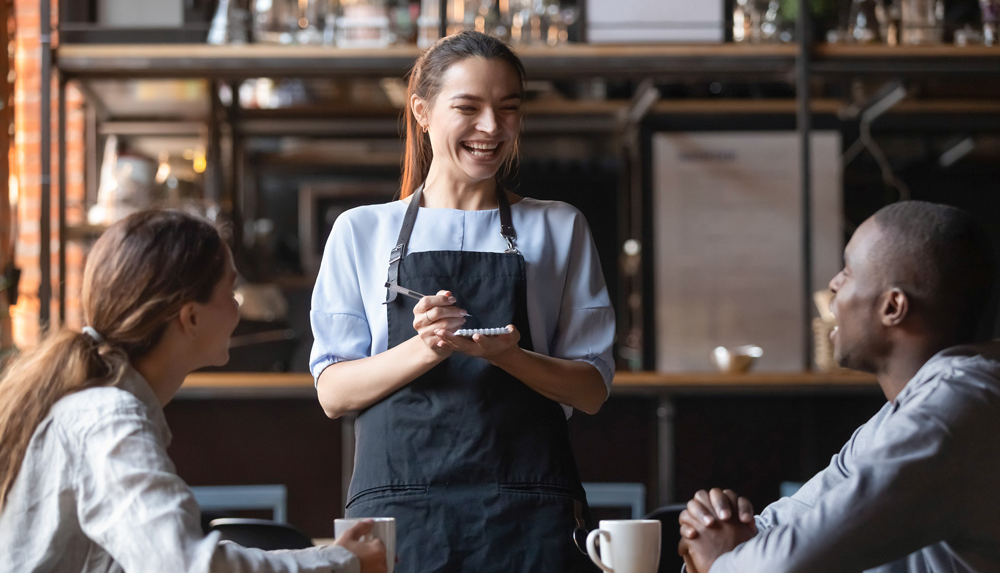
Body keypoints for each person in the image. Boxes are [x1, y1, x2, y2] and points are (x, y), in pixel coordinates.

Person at [309, 31, 616, 572]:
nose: (492, 128)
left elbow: (591, 390)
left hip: (530, 504)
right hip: (399, 505)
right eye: (469, 108)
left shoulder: (559, 225)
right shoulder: (361, 231)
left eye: (508, 109)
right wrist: (429, 347)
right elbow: (334, 392)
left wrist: (508, 357)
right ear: (423, 113)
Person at [0, 209, 386, 573]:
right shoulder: (109, 418)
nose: (238, 308)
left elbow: (183, 550)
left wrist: (330, 557)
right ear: (191, 316)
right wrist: (340, 565)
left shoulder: (100, 406)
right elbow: (187, 565)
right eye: (230, 292)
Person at [677, 200, 1000, 573]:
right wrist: (714, 528)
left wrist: (723, 559)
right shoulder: (893, 420)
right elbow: (792, 525)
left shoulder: (954, 411)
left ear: (893, 307)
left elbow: (785, 563)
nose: (833, 284)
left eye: (848, 271)